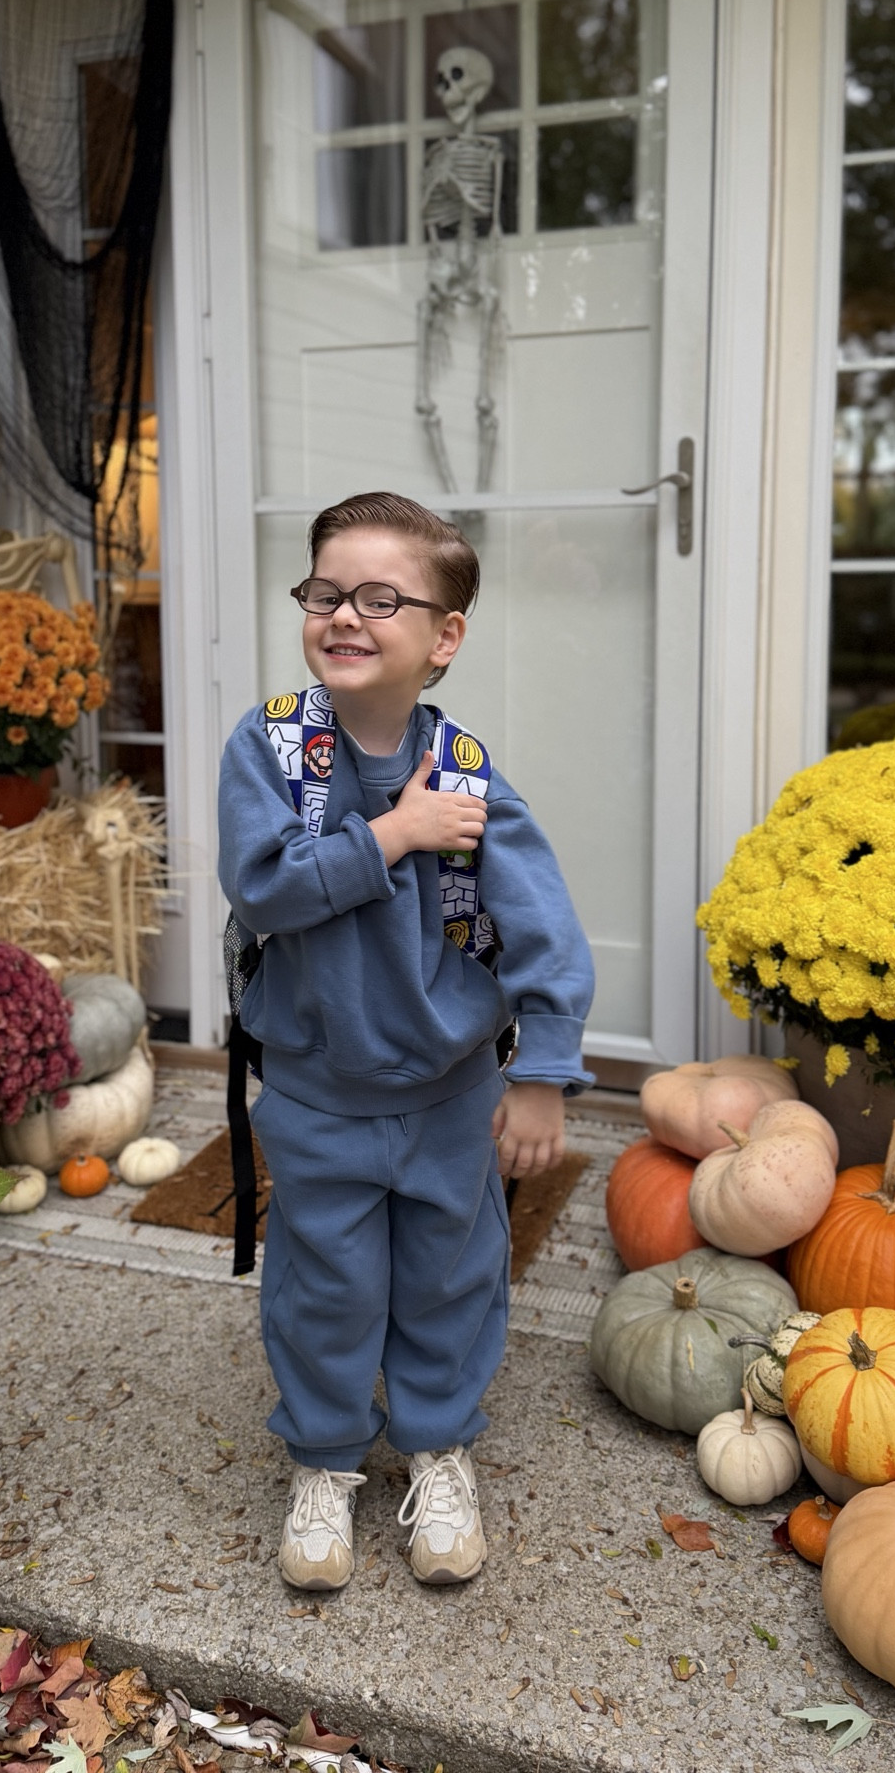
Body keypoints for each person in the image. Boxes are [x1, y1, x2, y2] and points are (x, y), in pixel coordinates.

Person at [217, 490, 594, 1589]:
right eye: (326, 591)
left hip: (445, 1093)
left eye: (382, 597)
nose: (346, 614)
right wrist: (394, 831)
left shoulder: (467, 770)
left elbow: (541, 919)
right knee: (322, 1282)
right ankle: (327, 1460)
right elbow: (267, 884)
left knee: (450, 1273)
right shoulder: (273, 745)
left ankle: (437, 1446)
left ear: (443, 637)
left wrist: (545, 1073)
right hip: (318, 1090)